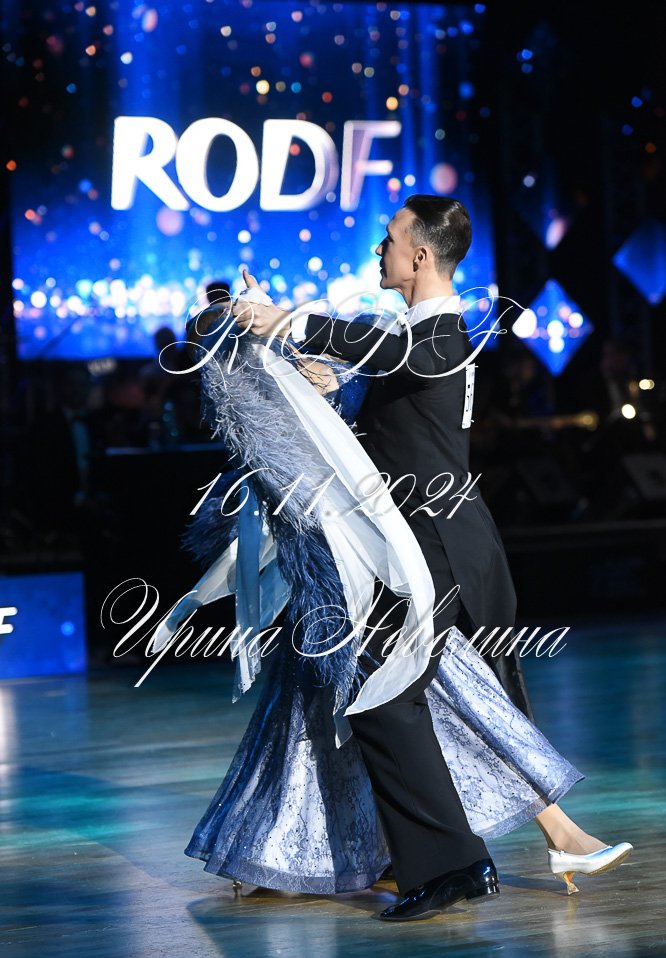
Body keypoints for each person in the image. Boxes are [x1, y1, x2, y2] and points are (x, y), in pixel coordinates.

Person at [217, 195, 631, 919]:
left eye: (389, 239)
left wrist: (285, 318)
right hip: (426, 545)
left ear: (420, 255)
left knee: (386, 694)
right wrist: (330, 378)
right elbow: (391, 383)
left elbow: (396, 353)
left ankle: (449, 864)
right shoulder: (416, 336)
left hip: (440, 547)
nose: (378, 250)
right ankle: (513, 844)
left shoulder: (444, 330)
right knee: (434, 696)